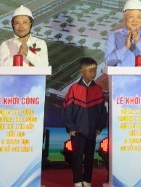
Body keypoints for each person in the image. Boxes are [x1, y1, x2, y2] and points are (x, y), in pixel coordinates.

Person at [61, 57, 107, 187]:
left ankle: (87, 180)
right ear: (82, 72)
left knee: (89, 157)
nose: (94, 73)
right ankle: (77, 180)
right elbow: (67, 109)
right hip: (77, 130)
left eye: (95, 70)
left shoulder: (97, 89)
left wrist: (99, 126)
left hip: (92, 130)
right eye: (90, 70)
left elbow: (102, 110)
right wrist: (70, 127)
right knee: (77, 156)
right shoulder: (74, 88)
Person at [104, 0, 141, 67]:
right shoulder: (113, 36)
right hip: (121, 77)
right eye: (131, 16)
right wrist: (125, 47)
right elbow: (108, 62)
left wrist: (138, 43)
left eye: (138, 17)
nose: (135, 20)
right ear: (125, 17)